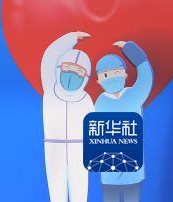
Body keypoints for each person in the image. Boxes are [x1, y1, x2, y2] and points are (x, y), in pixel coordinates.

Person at [94, 41, 152, 202]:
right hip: (108, 169)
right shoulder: (99, 103)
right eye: (106, 75)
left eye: (116, 72)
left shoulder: (135, 94)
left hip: (133, 166)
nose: (112, 77)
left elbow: (146, 76)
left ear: (125, 74)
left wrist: (129, 48)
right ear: (98, 80)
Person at [40, 32, 93, 202]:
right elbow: (49, 57)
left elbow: (93, 126)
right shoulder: (50, 88)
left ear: (86, 75)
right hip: (54, 147)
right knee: (56, 192)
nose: (72, 74)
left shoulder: (86, 99)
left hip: (80, 149)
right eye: (67, 68)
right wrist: (71, 38)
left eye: (79, 71)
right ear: (59, 68)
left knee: (80, 191)